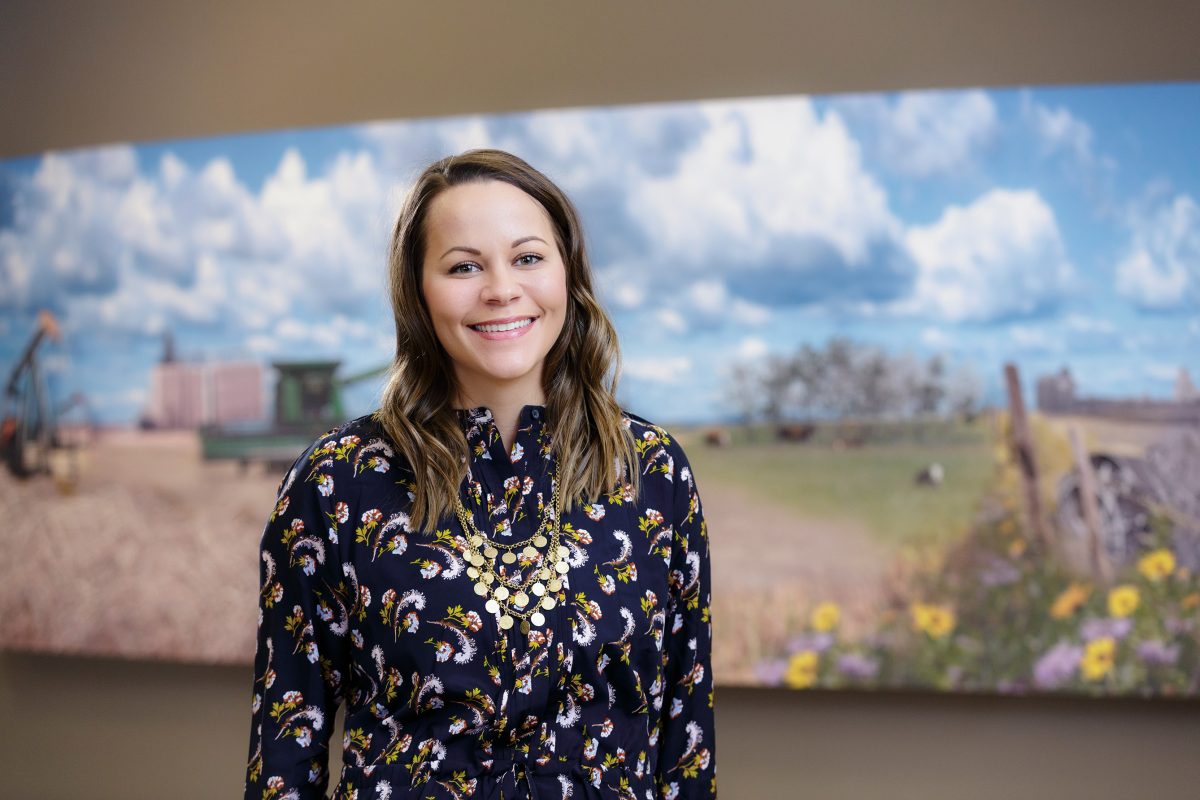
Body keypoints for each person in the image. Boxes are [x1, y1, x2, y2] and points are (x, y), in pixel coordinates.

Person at [245, 149, 715, 800]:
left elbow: (685, 744)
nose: (500, 288)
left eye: (527, 257)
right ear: (417, 291)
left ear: (567, 275)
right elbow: (283, 752)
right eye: (464, 266)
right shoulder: (337, 483)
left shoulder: (652, 472)